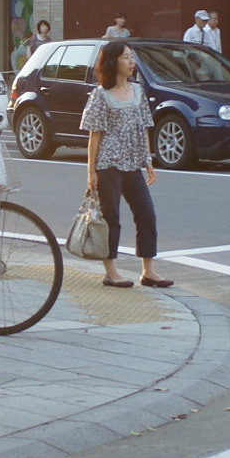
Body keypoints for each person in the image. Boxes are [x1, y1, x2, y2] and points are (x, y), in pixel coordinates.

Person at [80, 41, 170, 289]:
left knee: (146, 214)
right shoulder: (101, 94)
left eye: (132, 57)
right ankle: (111, 271)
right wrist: (91, 171)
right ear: (113, 62)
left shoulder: (138, 91)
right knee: (111, 218)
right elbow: (94, 135)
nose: (131, 62)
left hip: (133, 164)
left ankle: (148, 271)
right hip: (108, 164)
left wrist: (148, 159)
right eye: (126, 58)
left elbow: (144, 128)